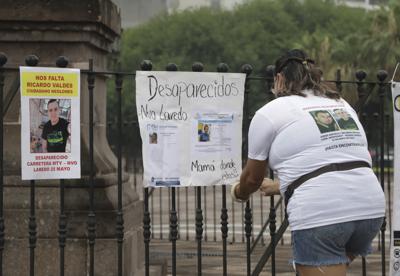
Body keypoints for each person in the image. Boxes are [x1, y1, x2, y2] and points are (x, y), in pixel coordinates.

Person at [231, 49, 385, 276]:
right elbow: (336, 158)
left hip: (322, 213)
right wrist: (280, 186)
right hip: (370, 208)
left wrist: (239, 193)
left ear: (280, 78)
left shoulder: (270, 112)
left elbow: (252, 178)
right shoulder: (340, 103)